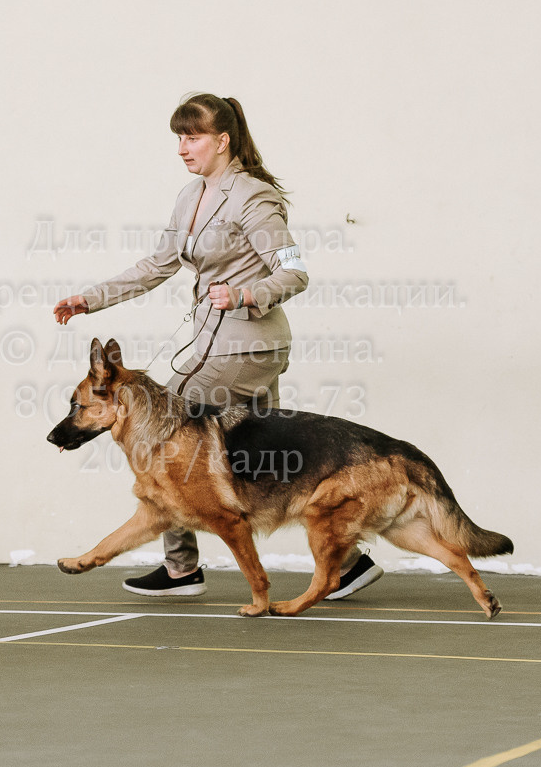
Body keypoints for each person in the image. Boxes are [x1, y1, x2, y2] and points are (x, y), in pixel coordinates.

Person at [52, 93, 383, 600]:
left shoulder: (255, 199)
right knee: (266, 458)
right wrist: (90, 299)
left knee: (161, 416)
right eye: (179, 138)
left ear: (222, 140)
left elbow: (293, 273)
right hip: (226, 345)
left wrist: (245, 293)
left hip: (246, 345)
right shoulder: (190, 197)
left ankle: (181, 567)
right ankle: (351, 563)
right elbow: (157, 265)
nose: (183, 148)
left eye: (193, 137)